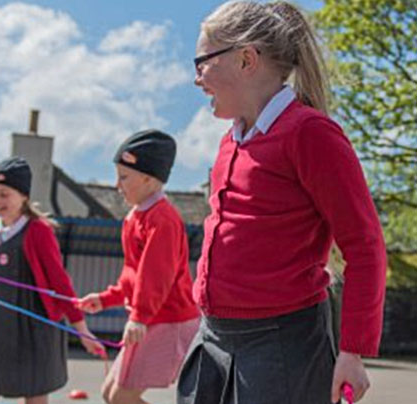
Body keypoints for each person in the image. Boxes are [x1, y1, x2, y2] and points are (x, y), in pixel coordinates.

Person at [178, 2, 387, 403]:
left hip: (280, 344)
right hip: (214, 337)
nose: (196, 78)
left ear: (246, 59)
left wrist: (352, 350)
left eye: (202, 61)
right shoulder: (229, 142)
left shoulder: (310, 134)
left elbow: (365, 246)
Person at [78, 130, 200, 404]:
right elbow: (132, 275)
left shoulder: (162, 219)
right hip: (150, 318)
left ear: (148, 178)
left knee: (121, 397)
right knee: (110, 393)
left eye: (124, 177)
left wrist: (140, 316)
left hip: (169, 320)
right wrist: (105, 298)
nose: (117, 185)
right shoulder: (135, 217)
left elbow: (156, 275)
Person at [0, 156, 104, 404]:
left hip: (34, 324)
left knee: (34, 395)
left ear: (23, 196)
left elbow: (60, 282)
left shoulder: (38, 230)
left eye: (4, 194)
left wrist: (82, 330)